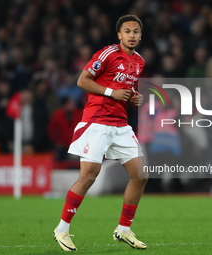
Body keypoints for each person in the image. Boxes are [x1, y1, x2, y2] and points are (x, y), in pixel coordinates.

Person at [53, 14, 148, 251]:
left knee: (141, 175)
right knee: (89, 175)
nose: (132, 35)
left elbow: (123, 90)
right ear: (119, 35)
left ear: (140, 35)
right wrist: (110, 93)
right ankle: (62, 229)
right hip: (97, 121)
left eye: (136, 31)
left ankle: (124, 229)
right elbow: (82, 81)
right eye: (127, 31)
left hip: (120, 124)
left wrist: (134, 98)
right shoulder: (107, 54)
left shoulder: (139, 62)